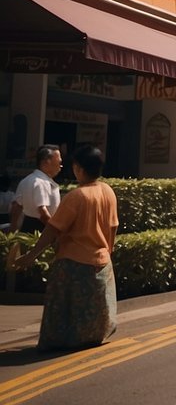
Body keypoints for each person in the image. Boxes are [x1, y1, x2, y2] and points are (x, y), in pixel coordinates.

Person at [13, 145, 118, 352]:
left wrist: (32, 255)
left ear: (78, 168)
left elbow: (52, 229)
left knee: (63, 308)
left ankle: (63, 340)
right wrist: (109, 250)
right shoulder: (108, 191)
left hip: (73, 262)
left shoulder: (76, 196)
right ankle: (91, 336)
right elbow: (112, 227)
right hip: (101, 260)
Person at [10, 145, 63, 233]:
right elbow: (43, 213)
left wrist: (12, 231)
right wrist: (56, 232)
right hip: (40, 230)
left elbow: (16, 208)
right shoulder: (41, 183)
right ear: (47, 162)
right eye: (59, 162)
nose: (60, 166)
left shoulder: (26, 180)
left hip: (26, 228)